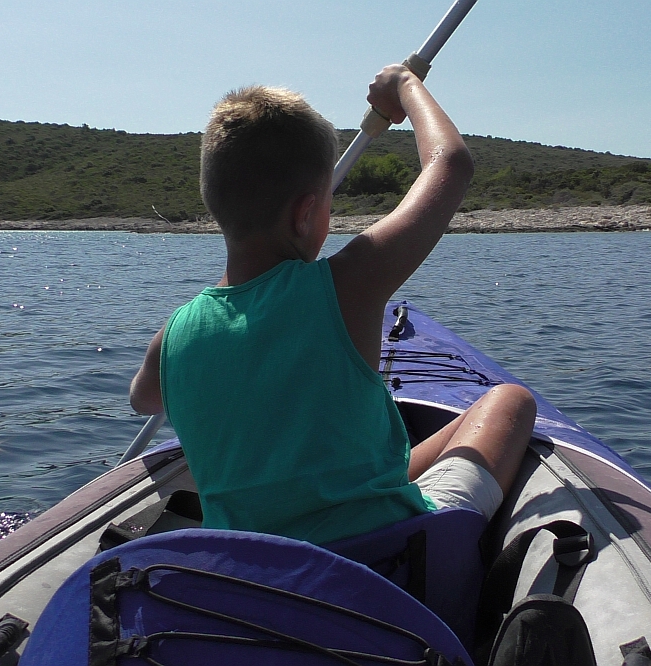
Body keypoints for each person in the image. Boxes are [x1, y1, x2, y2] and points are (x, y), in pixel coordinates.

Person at [129, 64, 536, 545]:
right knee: (509, 401)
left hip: (249, 570)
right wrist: (404, 85)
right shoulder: (346, 284)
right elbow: (451, 165)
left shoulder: (175, 334)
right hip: (386, 555)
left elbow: (144, 399)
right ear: (306, 215)